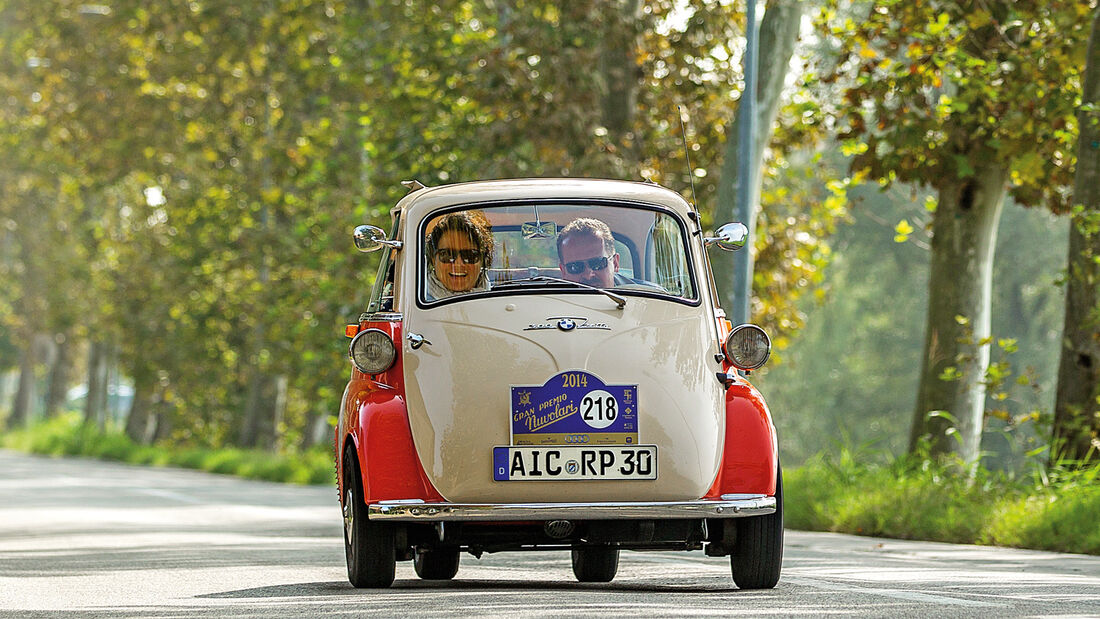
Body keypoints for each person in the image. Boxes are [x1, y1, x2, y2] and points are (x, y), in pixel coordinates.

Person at [425, 211, 493, 299]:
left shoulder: (498, 301)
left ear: (483, 260)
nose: (458, 264)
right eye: (447, 255)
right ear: (433, 259)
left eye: (470, 255)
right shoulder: (416, 301)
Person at [556, 218, 624, 288]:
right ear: (563, 271)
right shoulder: (550, 297)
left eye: (597, 263)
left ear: (615, 263)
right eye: (575, 267)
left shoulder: (634, 293)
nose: (588, 276)